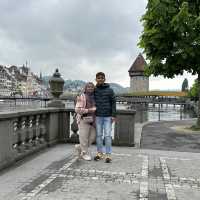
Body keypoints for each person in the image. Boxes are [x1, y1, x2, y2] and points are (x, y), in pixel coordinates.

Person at [94, 72, 116, 163]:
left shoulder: (110, 90)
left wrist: (114, 115)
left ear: (104, 79)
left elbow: (113, 103)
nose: (100, 79)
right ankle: (99, 153)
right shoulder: (94, 90)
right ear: (96, 79)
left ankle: (108, 155)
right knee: (98, 136)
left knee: (107, 136)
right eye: (98, 78)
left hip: (107, 117)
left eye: (102, 78)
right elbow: (86, 96)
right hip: (98, 116)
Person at [75, 82, 96, 161]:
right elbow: (77, 109)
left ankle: (79, 147)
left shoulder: (95, 97)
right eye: (88, 87)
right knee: (84, 137)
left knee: (93, 137)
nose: (90, 88)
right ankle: (84, 153)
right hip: (84, 119)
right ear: (85, 88)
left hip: (93, 120)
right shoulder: (82, 96)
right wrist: (89, 110)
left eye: (92, 87)